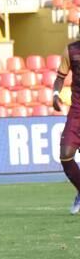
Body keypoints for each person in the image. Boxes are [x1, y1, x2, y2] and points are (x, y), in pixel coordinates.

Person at [52, 41, 80, 214]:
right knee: (65, 154)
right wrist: (55, 94)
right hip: (77, 111)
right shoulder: (71, 50)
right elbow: (60, 77)